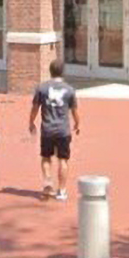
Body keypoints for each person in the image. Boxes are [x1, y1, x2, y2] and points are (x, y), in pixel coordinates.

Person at [29, 59, 80, 200]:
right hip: (63, 130)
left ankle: (48, 181)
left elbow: (35, 108)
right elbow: (75, 111)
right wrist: (77, 124)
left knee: (46, 157)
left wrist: (31, 122)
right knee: (63, 159)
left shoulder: (42, 88)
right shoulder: (69, 90)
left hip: (47, 129)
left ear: (50, 71)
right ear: (63, 72)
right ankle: (62, 190)